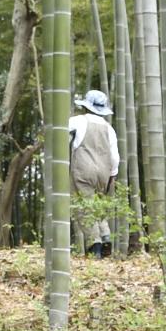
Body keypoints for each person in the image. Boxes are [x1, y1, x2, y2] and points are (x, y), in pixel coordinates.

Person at [69, 90, 120, 257]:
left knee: (84, 207)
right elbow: (115, 157)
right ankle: (105, 236)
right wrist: (112, 176)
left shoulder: (77, 121)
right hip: (104, 173)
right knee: (97, 206)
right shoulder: (109, 129)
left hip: (84, 170)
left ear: (86, 106)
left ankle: (95, 246)